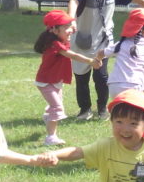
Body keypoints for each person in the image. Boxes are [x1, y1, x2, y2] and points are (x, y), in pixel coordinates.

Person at [67, 0, 144, 121]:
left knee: (101, 76)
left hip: (104, 40)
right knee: (81, 77)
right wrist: (71, 19)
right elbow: (74, 1)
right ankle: (85, 110)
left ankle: (102, 109)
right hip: (82, 41)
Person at [34, 10, 104, 146]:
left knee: (56, 105)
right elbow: (73, 55)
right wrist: (91, 61)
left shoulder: (59, 39)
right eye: (66, 27)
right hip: (46, 82)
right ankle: (50, 137)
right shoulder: (55, 44)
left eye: (70, 26)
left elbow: (70, 33)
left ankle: (48, 117)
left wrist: (71, 28)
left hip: (55, 81)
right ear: (54, 30)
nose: (71, 29)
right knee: (57, 107)